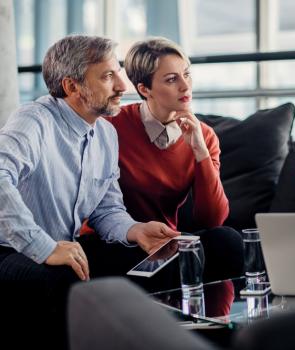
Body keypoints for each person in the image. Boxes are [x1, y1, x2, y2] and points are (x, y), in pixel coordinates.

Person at [0, 35, 179, 347]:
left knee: (161, 259)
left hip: (68, 249)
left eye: (118, 72)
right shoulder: (34, 120)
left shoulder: (105, 134)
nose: (123, 86)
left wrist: (135, 230)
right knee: (65, 278)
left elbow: (106, 210)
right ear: (72, 87)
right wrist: (43, 247)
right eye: (108, 76)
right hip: (11, 251)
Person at [106, 37, 243, 283]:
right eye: (171, 79)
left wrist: (200, 151)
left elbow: (213, 220)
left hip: (165, 242)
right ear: (144, 89)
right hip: (117, 241)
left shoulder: (205, 135)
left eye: (186, 75)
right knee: (171, 268)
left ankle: (216, 320)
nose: (185, 86)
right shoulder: (111, 127)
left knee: (227, 241)